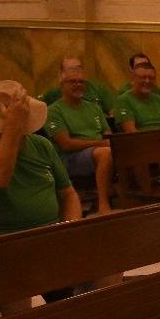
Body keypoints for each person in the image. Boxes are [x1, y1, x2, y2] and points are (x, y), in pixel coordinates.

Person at [0, 80, 81, 241]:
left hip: (50, 234)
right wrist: (13, 125)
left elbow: (68, 194)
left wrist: (70, 231)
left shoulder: (42, 145)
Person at [45, 67, 115, 214]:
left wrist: (107, 141)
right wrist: (100, 143)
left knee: (132, 146)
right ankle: (104, 204)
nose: (78, 85)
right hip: (70, 158)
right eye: (73, 81)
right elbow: (66, 144)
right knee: (105, 153)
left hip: (99, 150)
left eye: (81, 82)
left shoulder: (94, 108)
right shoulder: (54, 111)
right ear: (62, 85)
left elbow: (107, 132)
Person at [39, 56, 118, 114]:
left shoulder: (98, 89)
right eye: (71, 69)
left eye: (78, 68)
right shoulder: (53, 94)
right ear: (62, 75)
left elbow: (113, 113)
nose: (76, 73)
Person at [115, 64, 160, 132]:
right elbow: (131, 133)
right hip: (140, 140)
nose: (147, 81)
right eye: (143, 77)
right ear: (133, 78)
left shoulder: (158, 99)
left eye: (151, 78)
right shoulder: (123, 100)